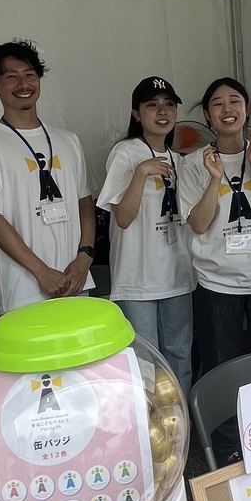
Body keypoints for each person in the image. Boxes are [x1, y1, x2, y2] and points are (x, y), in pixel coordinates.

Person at [0, 40, 95, 314]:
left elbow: (85, 203)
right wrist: (42, 272)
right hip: (25, 289)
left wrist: (84, 259)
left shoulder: (68, 140)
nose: (23, 84)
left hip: (76, 281)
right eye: (11, 76)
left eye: (30, 74)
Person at [178, 77, 251, 373]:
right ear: (207, 115)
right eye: (217, 104)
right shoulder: (193, 163)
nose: (227, 109)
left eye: (235, 102)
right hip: (216, 283)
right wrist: (215, 179)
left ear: (248, 108)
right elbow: (199, 224)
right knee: (221, 370)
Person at [97, 77, 195, 394]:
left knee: (180, 356)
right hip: (137, 279)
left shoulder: (180, 160)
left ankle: (182, 419)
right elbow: (123, 218)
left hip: (177, 274)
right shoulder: (125, 153)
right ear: (137, 114)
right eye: (152, 105)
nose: (162, 112)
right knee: (146, 362)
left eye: (169, 104)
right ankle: (151, 422)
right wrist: (141, 173)